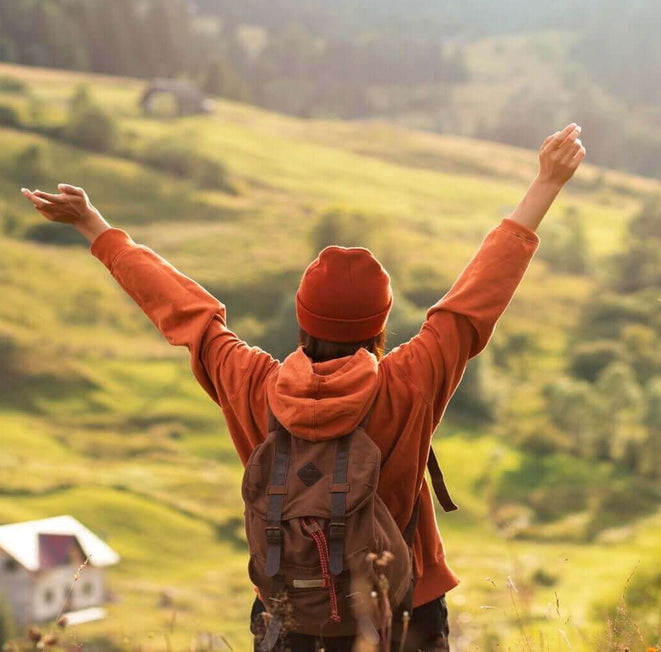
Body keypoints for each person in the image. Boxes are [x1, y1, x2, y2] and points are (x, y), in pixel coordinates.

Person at [21, 123, 586, 651]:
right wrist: (546, 182)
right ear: (380, 326)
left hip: (289, 613)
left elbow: (188, 314)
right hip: (402, 609)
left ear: (302, 319)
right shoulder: (410, 381)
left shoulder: (251, 381)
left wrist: (95, 227)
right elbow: (472, 301)